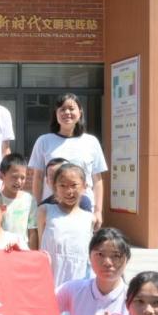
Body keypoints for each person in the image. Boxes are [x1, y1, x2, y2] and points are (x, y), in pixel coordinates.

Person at [29, 93, 108, 228]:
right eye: (62, 109)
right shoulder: (44, 141)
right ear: (56, 113)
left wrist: (98, 211)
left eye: (71, 108)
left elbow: (97, 180)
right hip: (52, 208)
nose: (67, 112)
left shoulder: (91, 141)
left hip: (83, 206)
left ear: (80, 112)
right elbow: (38, 178)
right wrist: (36, 208)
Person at [38, 162, 95, 288]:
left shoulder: (90, 219)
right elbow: (39, 244)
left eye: (74, 185)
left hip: (78, 283)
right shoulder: (45, 211)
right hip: (50, 280)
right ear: (55, 187)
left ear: (84, 186)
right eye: (63, 185)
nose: (69, 191)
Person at [0, 153, 39, 251]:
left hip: (22, 250)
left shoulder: (29, 200)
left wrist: (32, 254)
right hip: (1, 249)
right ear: (1, 175)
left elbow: (32, 231)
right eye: (14, 177)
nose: (19, 181)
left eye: (22, 177)